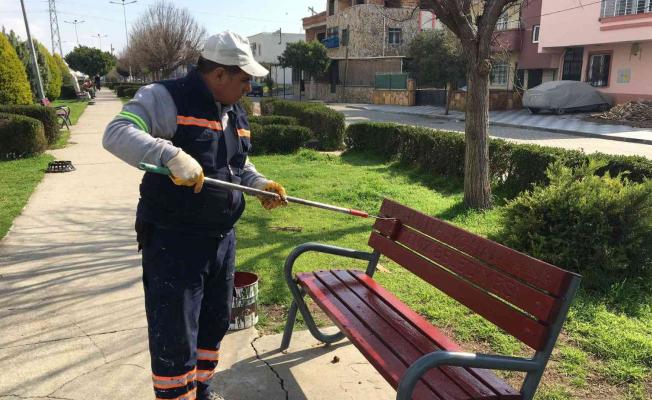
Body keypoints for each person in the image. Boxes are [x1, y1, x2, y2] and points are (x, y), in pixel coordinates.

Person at [102, 31, 287, 400]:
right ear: (219, 74)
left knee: (212, 325)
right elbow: (116, 133)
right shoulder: (166, 98)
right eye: (244, 79)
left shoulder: (233, 111)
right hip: (175, 242)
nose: (249, 88)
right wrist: (169, 155)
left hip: (221, 241)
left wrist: (259, 184)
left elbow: (237, 164)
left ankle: (201, 390)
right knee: (175, 335)